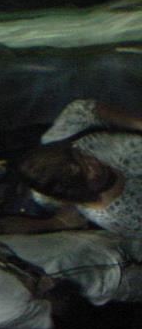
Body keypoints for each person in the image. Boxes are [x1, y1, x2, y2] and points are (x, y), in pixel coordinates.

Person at [0, 213, 142, 329]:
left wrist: (55, 222)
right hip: (111, 282)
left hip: (91, 243)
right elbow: (66, 317)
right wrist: (52, 294)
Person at [11, 99, 142, 236]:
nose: (94, 165)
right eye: (87, 173)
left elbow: (84, 109)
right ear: (75, 192)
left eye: (83, 158)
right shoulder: (122, 215)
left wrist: (136, 123)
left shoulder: (63, 141)